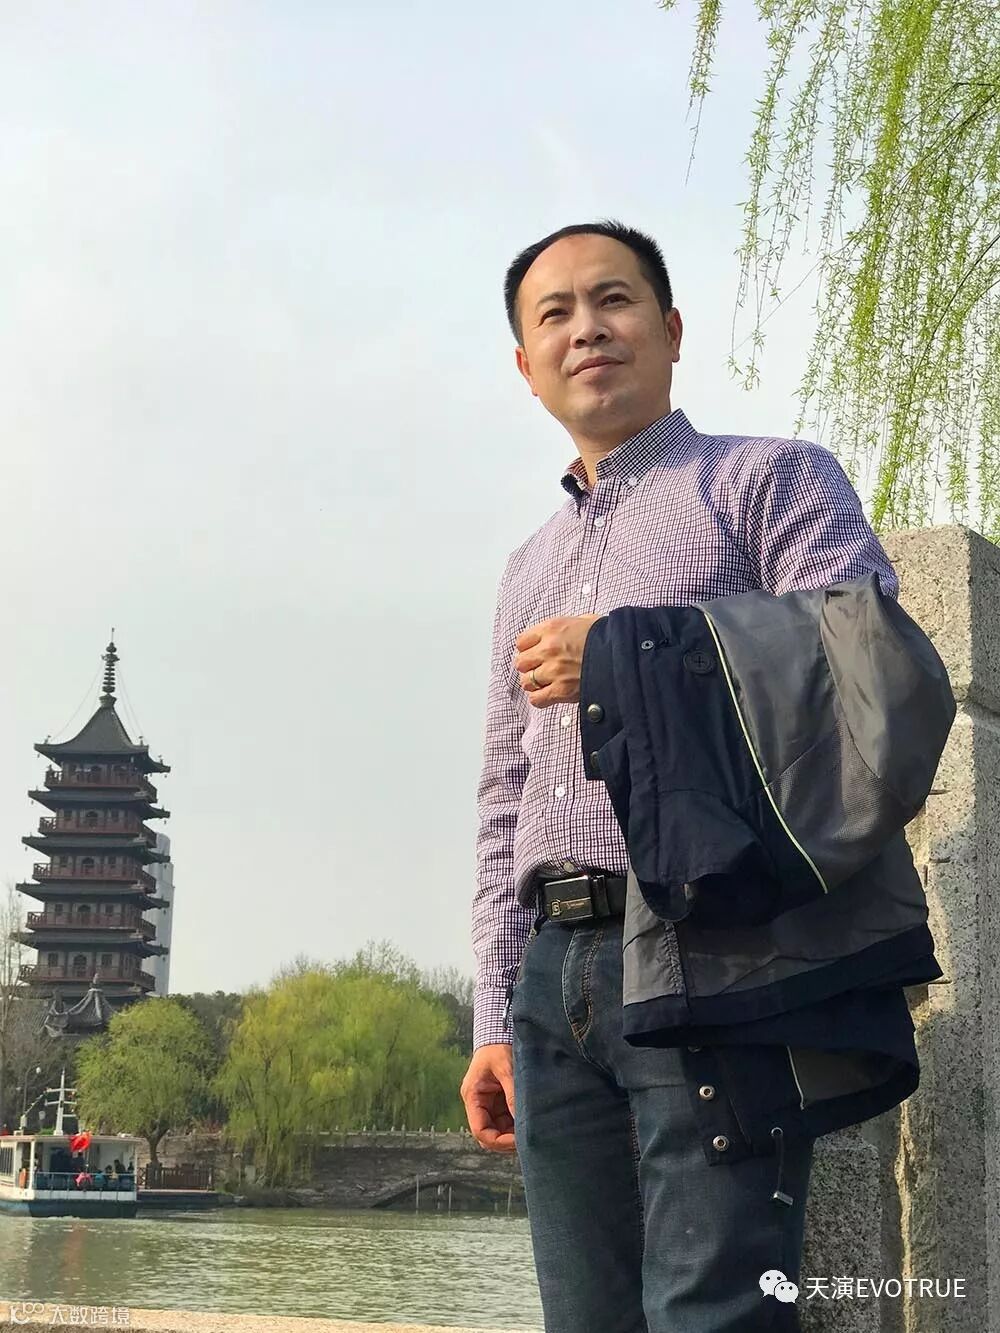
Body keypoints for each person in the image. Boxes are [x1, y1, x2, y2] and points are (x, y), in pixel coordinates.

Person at [460, 221, 901, 1332]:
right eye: (553, 314)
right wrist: (494, 1014)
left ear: (669, 328)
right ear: (525, 366)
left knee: (715, 1310)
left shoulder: (767, 480)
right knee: (583, 1314)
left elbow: (866, 658)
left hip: (711, 945)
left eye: (612, 300)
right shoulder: (526, 566)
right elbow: (505, 799)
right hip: (552, 975)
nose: (586, 329)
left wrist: (625, 653)